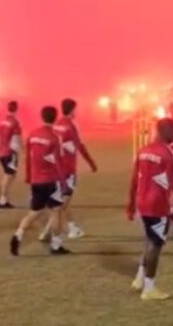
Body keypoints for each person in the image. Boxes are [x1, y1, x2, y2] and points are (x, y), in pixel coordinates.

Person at [126, 118, 173, 301]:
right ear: (166, 131)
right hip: (158, 205)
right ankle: (149, 288)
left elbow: (134, 179)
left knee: (149, 240)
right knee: (156, 245)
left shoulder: (143, 151)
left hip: (143, 203)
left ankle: (139, 278)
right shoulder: (168, 153)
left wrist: (131, 204)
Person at [10, 106, 70, 256]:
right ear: (55, 118)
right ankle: (56, 246)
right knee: (56, 211)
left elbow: (28, 157)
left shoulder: (33, 134)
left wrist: (28, 176)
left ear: (42, 116)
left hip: (36, 180)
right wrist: (64, 184)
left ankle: (18, 234)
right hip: (50, 180)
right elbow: (58, 162)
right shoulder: (54, 138)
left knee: (34, 211)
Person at [49, 98, 98, 240]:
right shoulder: (71, 126)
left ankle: (69, 228)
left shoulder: (56, 125)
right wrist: (91, 163)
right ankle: (66, 230)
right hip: (68, 169)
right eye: (75, 109)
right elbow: (80, 146)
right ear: (72, 110)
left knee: (61, 200)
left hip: (56, 167)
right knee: (63, 202)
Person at [0, 101, 23, 208]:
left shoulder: (2, 122)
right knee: (9, 175)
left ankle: (4, 199)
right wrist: (23, 151)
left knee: (10, 174)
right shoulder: (15, 122)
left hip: (1, 152)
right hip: (10, 153)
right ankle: (2, 200)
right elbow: (17, 139)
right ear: (16, 109)